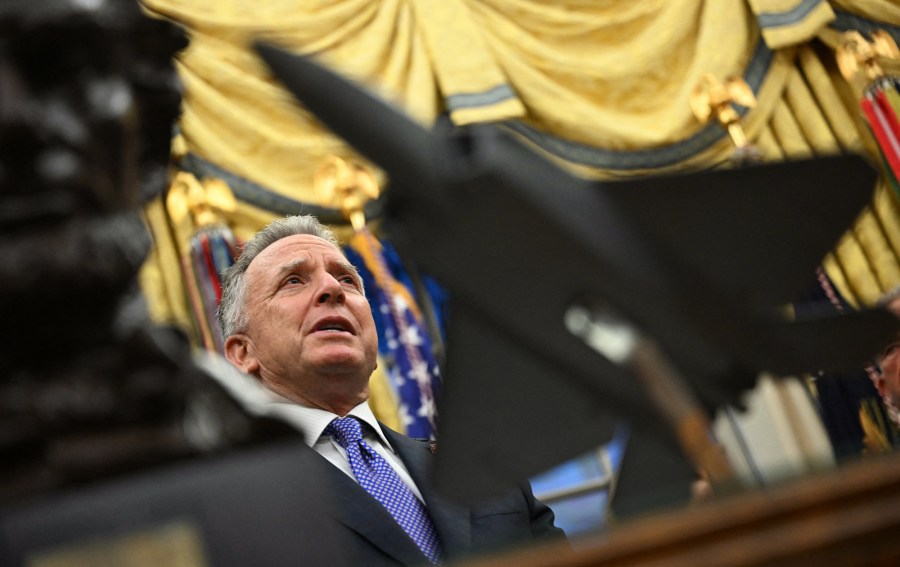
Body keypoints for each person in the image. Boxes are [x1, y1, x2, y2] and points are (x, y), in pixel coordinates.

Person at [216, 214, 566, 565]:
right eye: (293, 281)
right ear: (243, 352)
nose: (333, 289)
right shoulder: (224, 507)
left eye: (348, 280)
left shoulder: (484, 474)